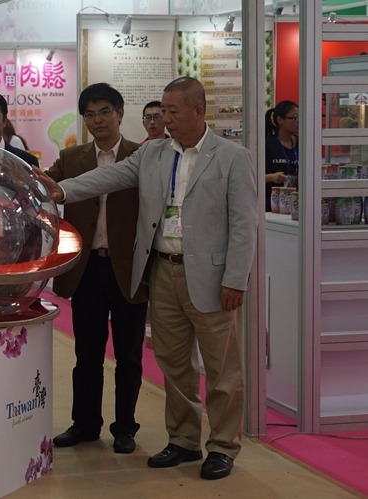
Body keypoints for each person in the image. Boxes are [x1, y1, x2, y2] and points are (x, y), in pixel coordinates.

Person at [35, 77, 257, 480]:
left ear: (198, 111)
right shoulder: (153, 153)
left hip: (211, 277)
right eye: (162, 111)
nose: (163, 119)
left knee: (222, 370)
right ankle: (184, 440)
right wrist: (63, 192)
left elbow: (244, 224)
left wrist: (236, 279)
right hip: (163, 271)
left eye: (172, 111)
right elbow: (108, 177)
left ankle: (223, 446)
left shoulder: (231, 157)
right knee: (174, 364)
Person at [46, 83, 148, 454]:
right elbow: (46, 188)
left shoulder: (142, 156)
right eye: (90, 114)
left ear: (120, 113)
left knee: (129, 356)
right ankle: (85, 424)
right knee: (87, 354)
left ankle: (125, 428)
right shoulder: (71, 158)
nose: (98, 120)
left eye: (105, 111)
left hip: (128, 270)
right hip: (86, 270)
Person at [264, 100, 298, 211]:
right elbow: (252, 178)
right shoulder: (267, 145)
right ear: (280, 120)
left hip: (298, 206)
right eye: (294, 118)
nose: (298, 122)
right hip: (272, 207)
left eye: (299, 118)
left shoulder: (302, 144)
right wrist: (272, 177)